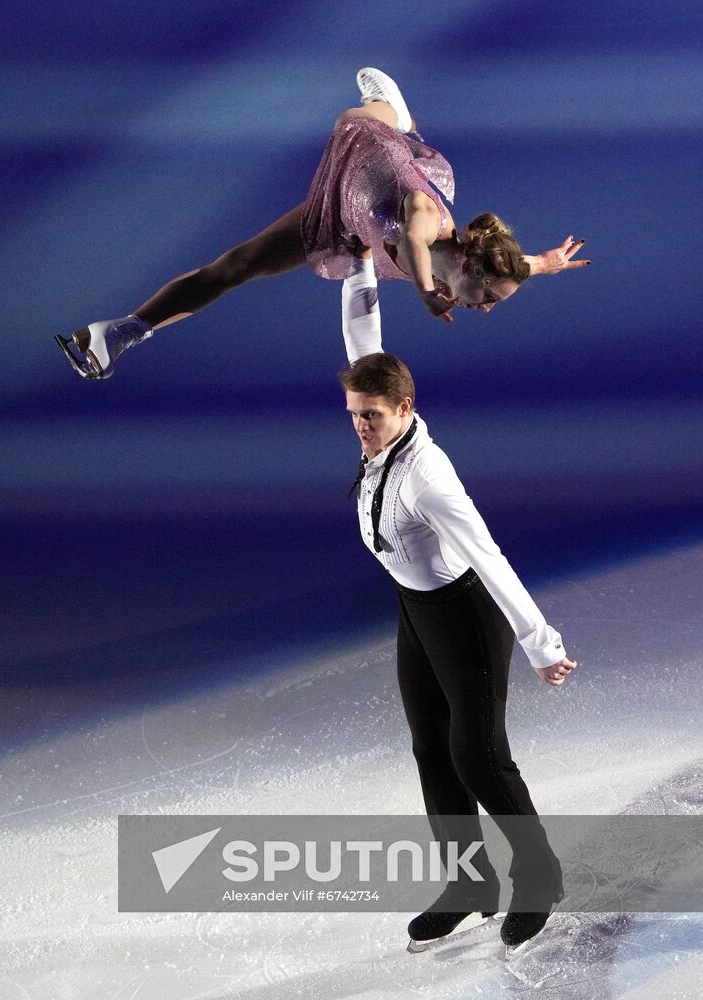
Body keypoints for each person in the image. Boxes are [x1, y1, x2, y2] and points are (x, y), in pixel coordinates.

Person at [54, 67, 590, 380]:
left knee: (238, 266)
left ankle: (119, 332)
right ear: (468, 261)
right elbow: (416, 230)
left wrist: (543, 263)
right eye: (489, 294)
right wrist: (425, 289)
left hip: (351, 220)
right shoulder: (431, 222)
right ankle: (398, 116)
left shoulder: (477, 267)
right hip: (377, 166)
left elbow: (510, 264)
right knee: (358, 123)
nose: (487, 308)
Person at [338, 289, 577, 954]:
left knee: (477, 753)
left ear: (405, 409)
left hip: (466, 615)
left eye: (373, 417)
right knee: (431, 748)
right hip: (417, 611)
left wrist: (540, 642)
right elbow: (364, 337)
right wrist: (357, 264)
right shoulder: (380, 414)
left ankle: (539, 875)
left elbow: (487, 555)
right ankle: (469, 884)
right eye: (356, 414)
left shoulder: (428, 477)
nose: (361, 426)